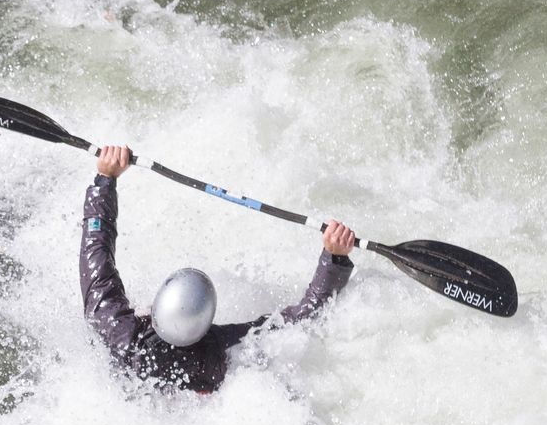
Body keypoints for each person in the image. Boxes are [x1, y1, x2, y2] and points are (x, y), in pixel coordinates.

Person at [80, 145, 353, 394]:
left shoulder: (115, 328)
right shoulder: (221, 352)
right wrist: (334, 256)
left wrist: (105, 179)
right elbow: (303, 317)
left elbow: (96, 248)